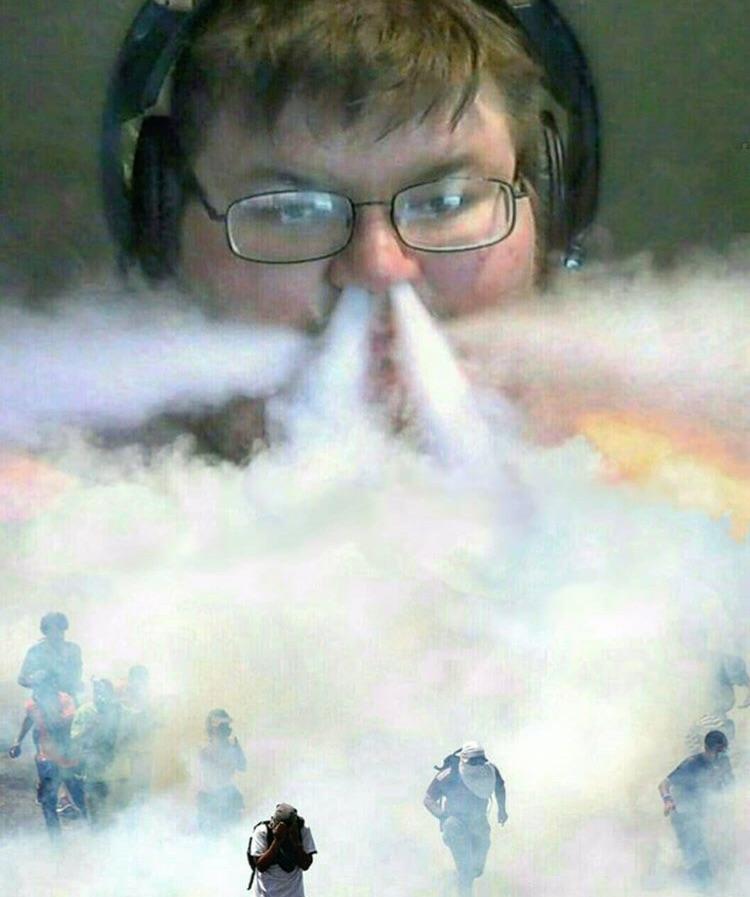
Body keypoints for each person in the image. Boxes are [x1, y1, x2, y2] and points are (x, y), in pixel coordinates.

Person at [101, 0, 601, 460]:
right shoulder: (66, 517)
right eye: (293, 211)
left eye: (445, 202)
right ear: (163, 232)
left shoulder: (642, 494)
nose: (379, 267)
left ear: (545, 206)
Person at [7, 674, 87, 837]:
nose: (36, 692)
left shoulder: (65, 700)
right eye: (35, 688)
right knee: (48, 800)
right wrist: (18, 741)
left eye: (41, 687)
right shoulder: (33, 704)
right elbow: (29, 719)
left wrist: (47, 709)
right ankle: (55, 841)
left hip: (68, 759)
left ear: (51, 687)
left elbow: (67, 725)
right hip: (46, 758)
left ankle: (95, 830)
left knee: (79, 797)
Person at [424, 742, 508, 896]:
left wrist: (502, 810)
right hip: (455, 825)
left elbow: (500, 787)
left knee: (477, 869)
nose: (478, 764)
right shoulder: (450, 774)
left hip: (479, 823)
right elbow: (428, 798)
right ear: (464, 759)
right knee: (466, 869)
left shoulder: (490, 771)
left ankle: (450, 880)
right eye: (474, 761)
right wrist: (443, 816)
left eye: (481, 760)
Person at [658, 729, 734, 891]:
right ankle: (699, 888)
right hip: (685, 814)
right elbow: (663, 784)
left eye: (723, 750)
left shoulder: (724, 762)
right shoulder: (692, 764)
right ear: (708, 748)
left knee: (719, 852)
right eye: (718, 751)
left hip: (706, 814)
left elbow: (730, 787)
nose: (721, 754)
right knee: (697, 854)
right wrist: (668, 800)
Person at [70, 678, 130, 827]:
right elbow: (75, 737)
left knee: (116, 804)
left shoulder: (120, 710)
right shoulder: (85, 711)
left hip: (116, 766)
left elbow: (135, 724)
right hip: (93, 765)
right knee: (94, 800)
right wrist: (90, 727)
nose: (100, 695)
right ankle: (96, 832)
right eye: (97, 691)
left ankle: (115, 834)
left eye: (103, 692)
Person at [247, 802, 316, 897]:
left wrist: (296, 842)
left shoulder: (302, 830)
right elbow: (260, 865)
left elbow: (306, 864)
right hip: (267, 893)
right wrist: (277, 841)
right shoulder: (262, 831)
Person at [196, 708, 247, 834]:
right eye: (222, 726)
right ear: (214, 729)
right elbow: (209, 775)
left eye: (227, 726)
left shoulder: (232, 748)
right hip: (210, 798)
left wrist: (238, 750)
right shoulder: (206, 751)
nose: (227, 729)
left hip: (228, 796)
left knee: (232, 833)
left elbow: (242, 767)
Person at [18, 611, 83, 703]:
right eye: (53, 630)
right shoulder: (36, 651)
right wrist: (34, 679)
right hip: (42, 702)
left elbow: (77, 675)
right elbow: (22, 679)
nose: (58, 634)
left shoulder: (73, 650)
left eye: (60, 629)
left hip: (68, 702)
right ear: (45, 631)